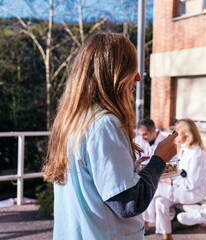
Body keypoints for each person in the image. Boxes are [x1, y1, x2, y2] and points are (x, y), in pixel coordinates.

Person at [42, 32, 178, 240]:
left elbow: (96, 185)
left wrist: (131, 168)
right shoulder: (105, 124)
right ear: (114, 74)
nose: (139, 78)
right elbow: (128, 203)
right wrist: (160, 159)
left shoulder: (73, 121)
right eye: (133, 69)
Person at [143, 118, 206, 240]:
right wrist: (168, 176)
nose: (174, 133)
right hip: (182, 189)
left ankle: (145, 224)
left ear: (188, 133)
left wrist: (171, 182)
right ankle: (167, 236)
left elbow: (192, 184)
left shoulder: (197, 154)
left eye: (178, 130)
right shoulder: (184, 150)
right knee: (160, 202)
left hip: (193, 193)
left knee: (154, 186)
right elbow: (179, 173)